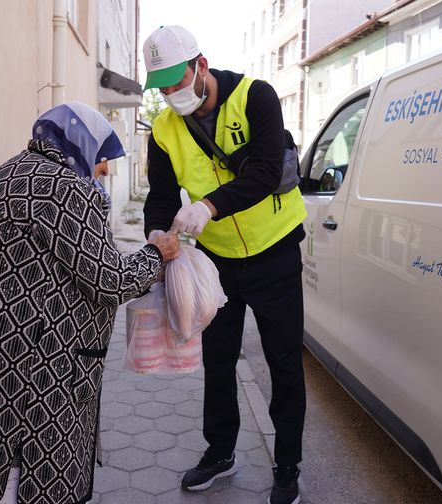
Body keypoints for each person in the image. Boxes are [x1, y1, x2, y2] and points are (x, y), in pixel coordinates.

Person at [0, 102, 180, 504]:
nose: (103, 175)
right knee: (37, 482)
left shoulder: (5, 176)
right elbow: (111, 280)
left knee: (10, 472)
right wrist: (156, 254)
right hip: (44, 368)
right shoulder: (70, 189)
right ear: (84, 147)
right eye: (103, 164)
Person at [142, 25, 308, 504]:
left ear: (201, 65)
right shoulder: (164, 128)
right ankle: (220, 452)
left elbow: (262, 172)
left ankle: (287, 466)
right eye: (164, 86)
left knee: (282, 363)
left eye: (178, 80)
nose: (173, 93)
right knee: (217, 361)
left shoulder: (256, 97)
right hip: (217, 261)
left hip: (275, 251)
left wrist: (207, 207)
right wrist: (156, 233)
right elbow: (158, 194)